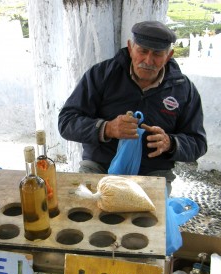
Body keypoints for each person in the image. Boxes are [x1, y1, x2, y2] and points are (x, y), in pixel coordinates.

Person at [58, 21, 207, 195]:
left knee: (150, 219)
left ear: (169, 55)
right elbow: (66, 122)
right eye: (142, 51)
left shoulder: (183, 89)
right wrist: (107, 128)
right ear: (130, 48)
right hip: (99, 167)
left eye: (157, 54)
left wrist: (170, 143)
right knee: (85, 214)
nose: (148, 60)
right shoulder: (101, 75)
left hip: (153, 173)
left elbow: (199, 143)